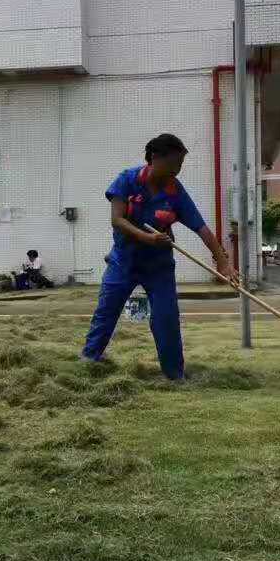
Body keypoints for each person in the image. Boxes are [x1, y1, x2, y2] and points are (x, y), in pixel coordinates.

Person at [81, 133, 238, 379]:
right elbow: (118, 220)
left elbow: (201, 228)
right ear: (155, 157)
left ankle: (174, 376)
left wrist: (223, 261)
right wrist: (148, 238)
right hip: (124, 261)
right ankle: (88, 363)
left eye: (181, 164)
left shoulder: (175, 192)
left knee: (166, 319)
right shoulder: (127, 180)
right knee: (106, 312)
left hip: (159, 267)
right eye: (175, 162)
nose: (178, 169)